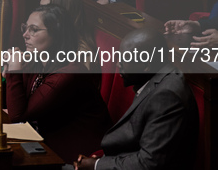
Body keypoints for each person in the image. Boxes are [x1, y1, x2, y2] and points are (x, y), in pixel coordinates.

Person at [0, 5, 110, 163]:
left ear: (56, 34)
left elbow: (17, 116)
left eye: (33, 29)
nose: (25, 35)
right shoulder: (35, 61)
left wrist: (15, 71)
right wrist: (4, 72)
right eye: (25, 28)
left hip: (78, 156)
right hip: (45, 145)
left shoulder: (69, 73)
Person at [74, 28, 198, 170]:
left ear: (145, 65)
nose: (118, 64)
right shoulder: (156, 79)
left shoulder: (167, 96)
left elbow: (148, 163)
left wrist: (96, 165)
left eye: (124, 59)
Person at [40, 0, 98, 72]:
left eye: (45, 11)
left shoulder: (82, 57)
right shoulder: (51, 41)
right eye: (40, 8)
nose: (38, 16)